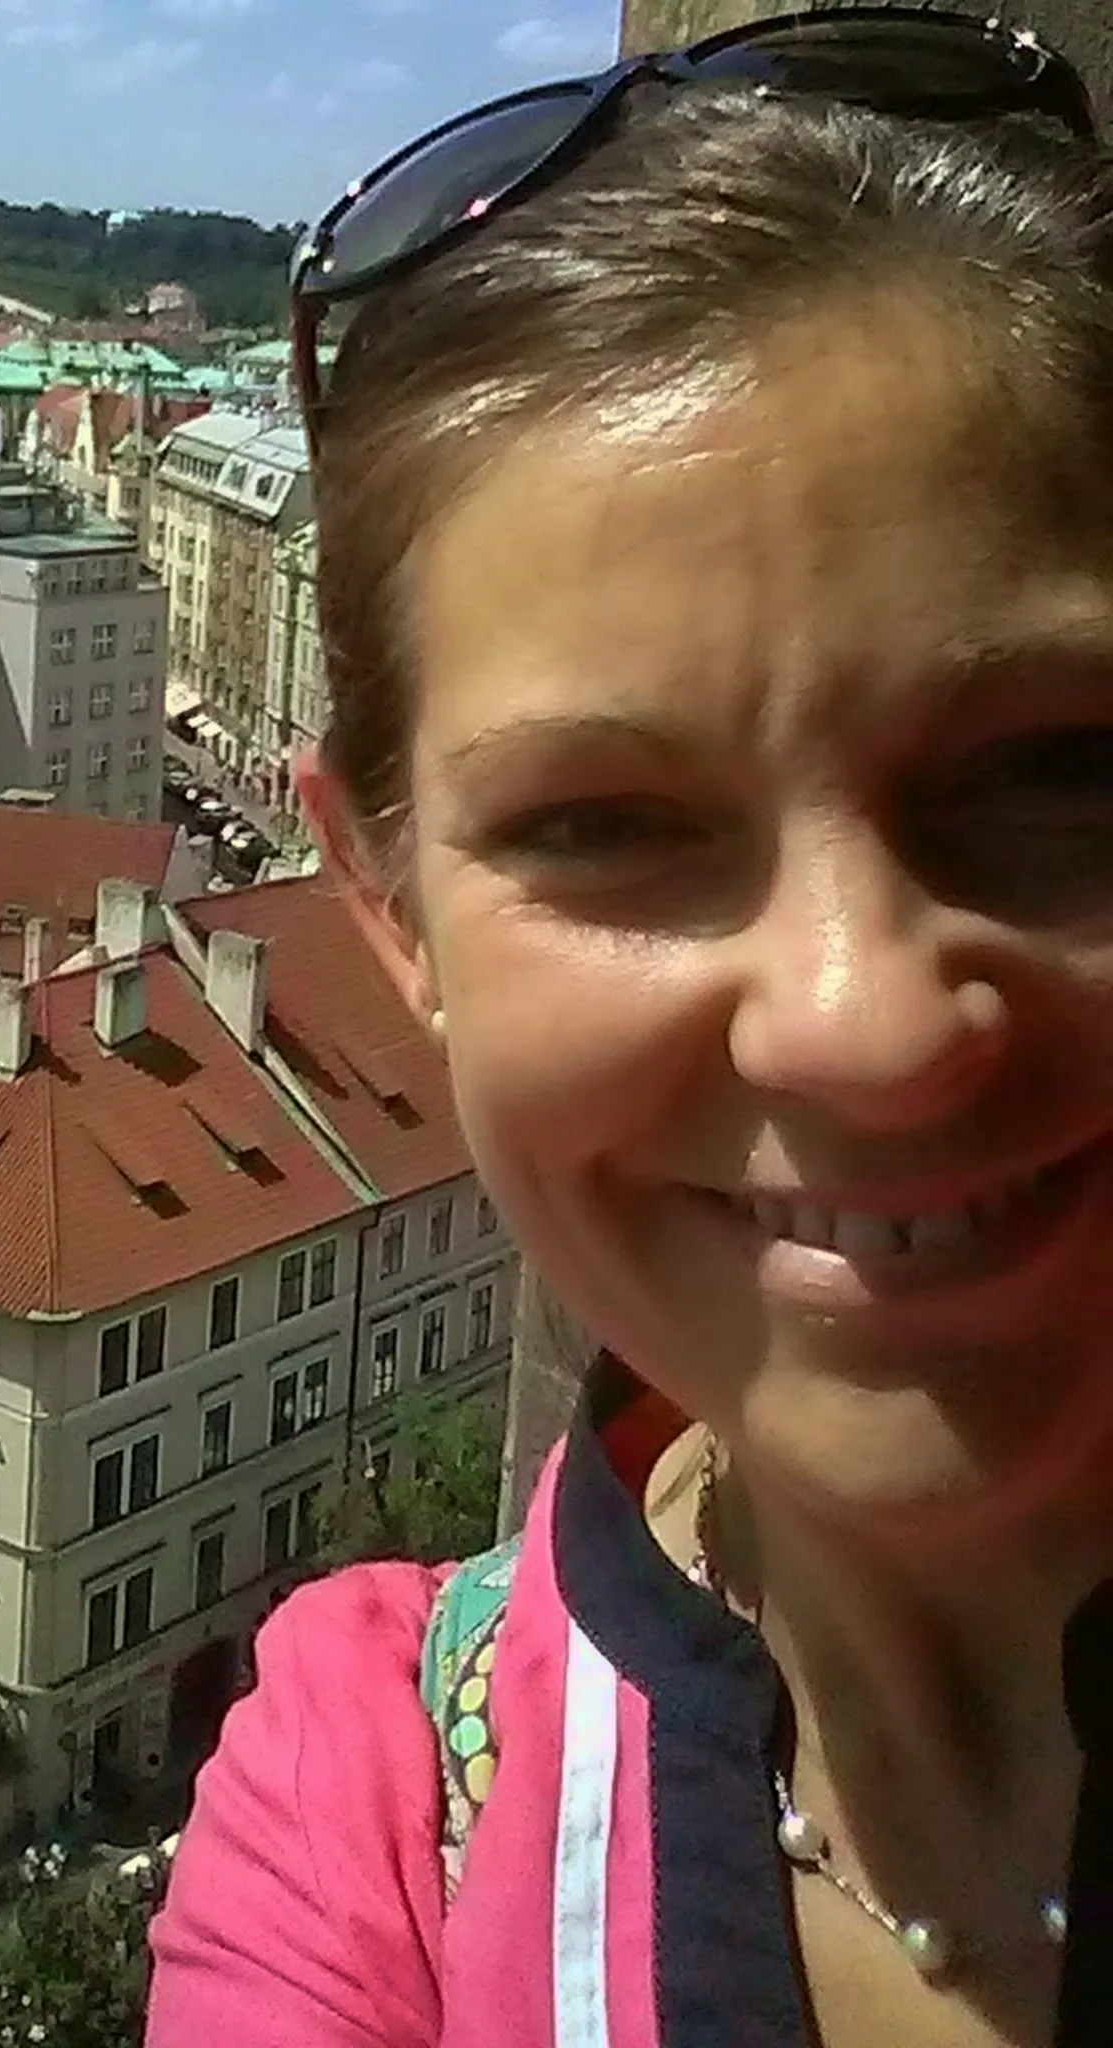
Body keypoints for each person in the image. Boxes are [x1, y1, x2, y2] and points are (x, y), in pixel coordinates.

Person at [144, 10, 1113, 2045]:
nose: (861, 1022)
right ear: (387, 902)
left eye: (1051, 769)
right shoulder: (372, 1823)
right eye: (602, 824)